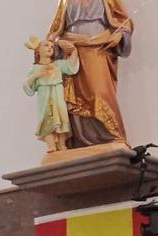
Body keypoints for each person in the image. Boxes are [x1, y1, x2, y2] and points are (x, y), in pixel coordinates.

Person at [47, 0, 133, 148]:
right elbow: (53, 34)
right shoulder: (64, 2)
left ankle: (111, 137)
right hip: (72, 52)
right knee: (75, 98)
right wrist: (59, 42)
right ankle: (80, 142)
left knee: (100, 93)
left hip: (98, 50)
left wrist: (119, 35)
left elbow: (124, 23)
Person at [24, 37, 80, 152]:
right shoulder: (35, 69)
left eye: (51, 46)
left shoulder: (58, 65)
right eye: (46, 45)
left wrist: (74, 51)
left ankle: (61, 144)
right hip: (44, 98)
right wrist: (36, 76)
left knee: (60, 118)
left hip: (57, 95)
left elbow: (71, 66)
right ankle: (51, 146)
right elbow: (27, 87)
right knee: (46, 120)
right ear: (38, 51)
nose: (50, 47)